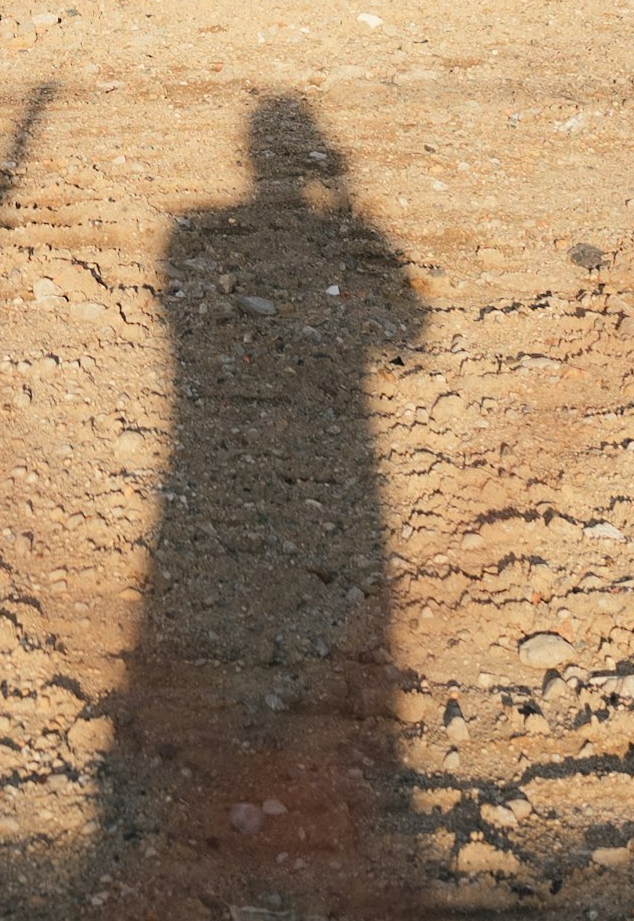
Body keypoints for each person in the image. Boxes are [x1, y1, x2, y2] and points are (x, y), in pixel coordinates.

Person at [86, 91, 427, 914]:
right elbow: (408, 331)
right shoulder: (245, 232)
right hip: (336, 468)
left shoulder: (189, 235)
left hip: (204, 463)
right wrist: (347, 214)